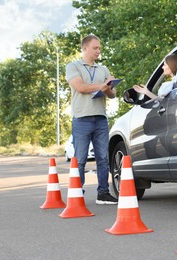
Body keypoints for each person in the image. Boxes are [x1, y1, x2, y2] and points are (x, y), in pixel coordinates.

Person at [65, 34, 118, 205]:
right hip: (81, 119)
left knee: (103, 157)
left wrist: (109, 87)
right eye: (95, 48)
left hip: (101, 118)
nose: (98, 51)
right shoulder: (73, 66)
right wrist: (100, 86)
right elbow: (80, 87)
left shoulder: (103, 69)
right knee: (80, 159)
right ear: (85, 48)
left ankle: (103, 193)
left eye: (99, 48)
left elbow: (112, 95)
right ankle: (76, 191)